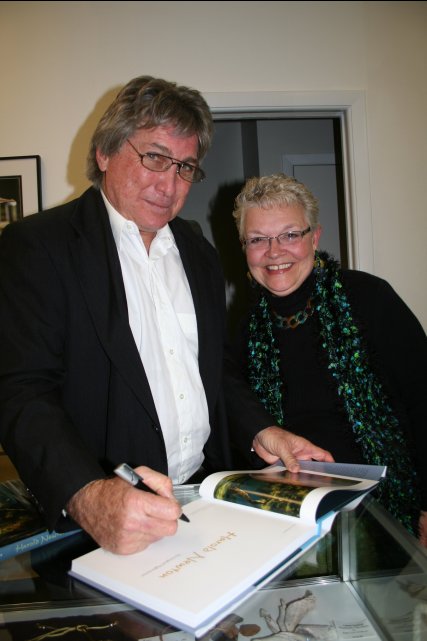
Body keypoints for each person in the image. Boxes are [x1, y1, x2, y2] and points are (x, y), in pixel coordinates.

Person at [0, 77, 332, 556]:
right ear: (105, 152)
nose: (169, 185)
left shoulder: (198, 250)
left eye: (185, 167)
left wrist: (264, 430)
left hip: (203, 501)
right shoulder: (39, 246)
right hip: (101, 519)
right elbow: (21, 391)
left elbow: (214, 369)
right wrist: (86, 494)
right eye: (154, 157)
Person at [225, 172, 427, 546]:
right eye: (258, 239)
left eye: (290, 234)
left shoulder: (369, 298)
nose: (274, 251)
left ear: (314, 238)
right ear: (244, 248)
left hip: (386, 515)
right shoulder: (241, 330)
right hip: (291, 523)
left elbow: (423, 399)